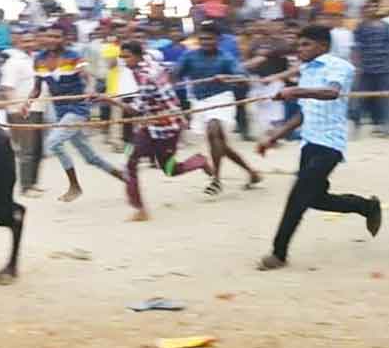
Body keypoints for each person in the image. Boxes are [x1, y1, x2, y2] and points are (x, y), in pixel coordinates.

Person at [256, 24, 382, 271]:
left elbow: (331, 93)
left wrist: (295, 90)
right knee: (314, 198)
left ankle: (278, 253)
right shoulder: (307, 70)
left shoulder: (339, 66)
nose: (299, 49)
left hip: (329, 145)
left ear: (323, 46)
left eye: (306, 44)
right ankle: (365, 206)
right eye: (299, 44)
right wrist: (275, 136)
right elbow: (305, 112)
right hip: (310, 143)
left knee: (297, 198)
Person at [96, 42, 212, 221]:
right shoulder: (147, 62)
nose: (124, 61)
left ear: (137, 56)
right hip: (151, 124)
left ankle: (199, 161)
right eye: (122, 57)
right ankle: (139, 208)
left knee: (168, 168)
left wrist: (109, 100)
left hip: (167, 126)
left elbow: (135, 110)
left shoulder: (145, 77)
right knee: (132, 163)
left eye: (127, 57)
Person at [21, 25, 125, 202]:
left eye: (56, 36)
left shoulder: (73, 56)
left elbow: (88, 76)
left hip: (77, 109)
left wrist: (91, 89)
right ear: (44, 39)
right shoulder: (39, 59)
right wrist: (28, 102)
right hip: (61, 111)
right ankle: (126, 178)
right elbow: (37, 88)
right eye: (49, 37)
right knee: (90, 157)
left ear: (63, 38)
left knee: (53, 142)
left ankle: (74, 186)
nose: (52, 40)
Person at [175, 20, 262, 195]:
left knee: (213, 129)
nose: (206, 42)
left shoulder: (225, 58)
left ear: (218, 39)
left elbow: (242, 77)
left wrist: (227, 78)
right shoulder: (190, 56)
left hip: (222, 99)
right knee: (220, 143)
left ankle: (216, 179)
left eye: (210, 39)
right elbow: (176, 74)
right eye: (203, 39)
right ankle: (251, 173)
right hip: (199, 102)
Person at [0, 33, 45, 198]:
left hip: (38, 107)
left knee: (38, 148)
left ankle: (33, 182)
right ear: (17, 42)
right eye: (25, 40)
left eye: (32, 39)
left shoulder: (34, 59)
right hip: (22, 111)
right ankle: (26, 186)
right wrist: (19, 108)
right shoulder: (13, 62)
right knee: (27, 149)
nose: (30, 43)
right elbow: (7, 88)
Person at [352, 0, 389, 136]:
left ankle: (386, 126)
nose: (372, 9)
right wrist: (357, 66)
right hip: (365, 67)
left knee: (385, 98)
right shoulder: (361, 27)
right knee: (359, 97)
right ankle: (355, 125)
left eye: (375, 6)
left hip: (384, 67)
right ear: (365, 9)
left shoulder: (385, 26)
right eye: (369, 7)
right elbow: (356, 48)